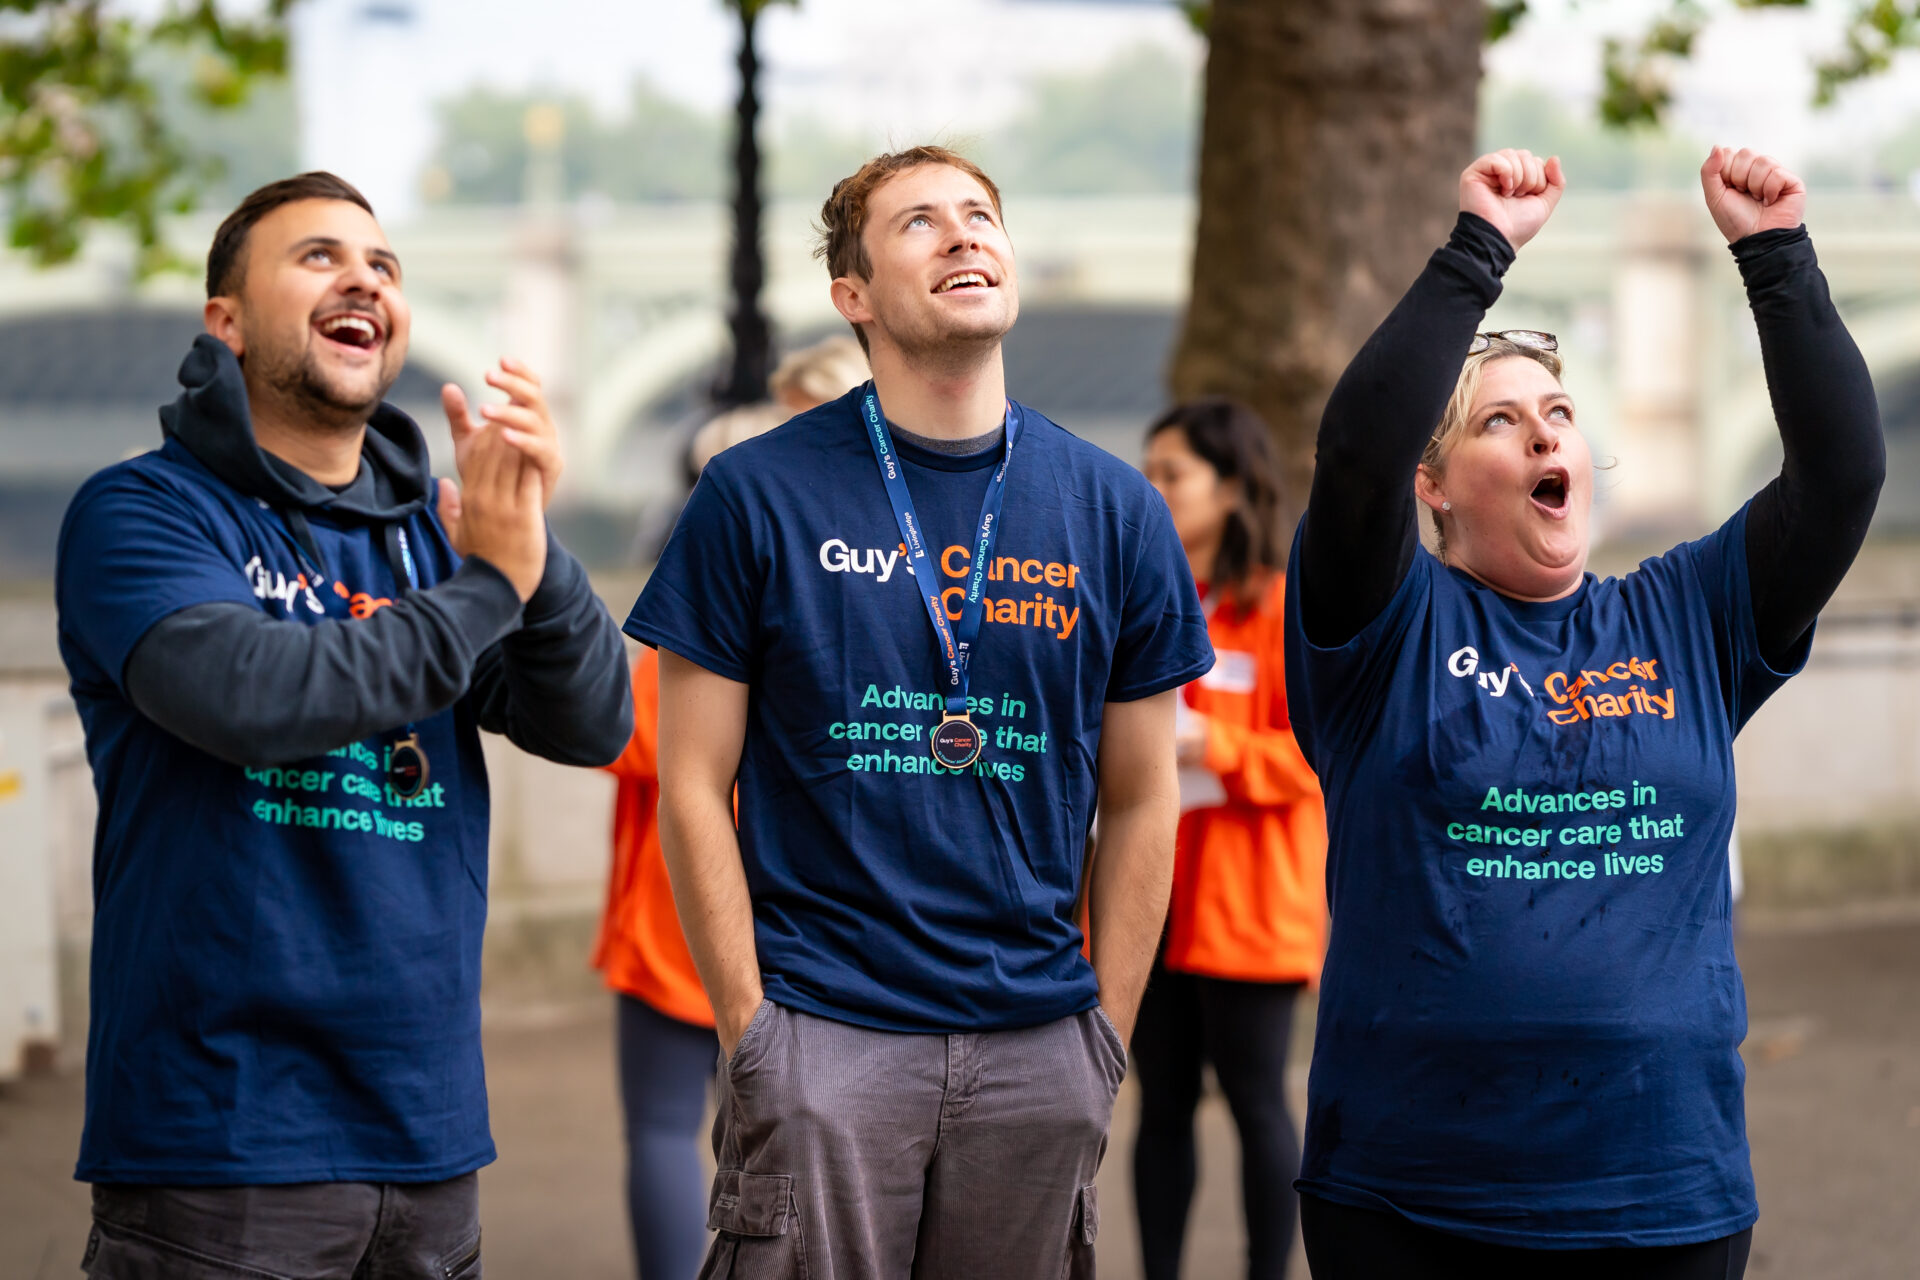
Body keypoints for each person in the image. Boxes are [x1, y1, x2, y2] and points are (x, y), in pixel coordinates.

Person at [1283, 146, 1881, 1278]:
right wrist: (1477, 252)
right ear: (1438, 483)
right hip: (1413, 1198)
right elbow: (1356, 454)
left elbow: (1843, 475)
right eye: (1501, 423)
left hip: (1662, 1193)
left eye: (1558, 411)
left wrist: (1776, 257)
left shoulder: (1690, 614)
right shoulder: (1383, 628)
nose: (1548, 433)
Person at [625, 144, 1215, 1279]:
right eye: (919, 223)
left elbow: (1145, 798)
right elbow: (691, 781)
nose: (964, 235)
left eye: (982, 214)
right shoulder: (756, 493)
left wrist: (1104, 1035)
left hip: (1040, 1040)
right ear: (853, 296)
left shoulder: (1115, 508)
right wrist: (756, 1034)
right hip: (826, 1031)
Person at [55, 172, 632, 1279]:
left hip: (428, 1139)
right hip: (218, 1143)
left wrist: (536, 556)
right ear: (225, 320)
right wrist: (487, 585)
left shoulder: (439, 533)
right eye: (316, 256)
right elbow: (254, 697)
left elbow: (594, 720)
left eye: (383, 266)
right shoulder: (143, 512)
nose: (362, 276)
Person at [594, 335, 868, 1280]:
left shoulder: (741, 524)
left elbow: (634, 735)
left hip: (694, 904)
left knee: (671, 1128)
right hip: (832, 917)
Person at [1132, 398, 1325, 1280]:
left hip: (1249, 901)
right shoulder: (1139, 599)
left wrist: (1215, 743)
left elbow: (1319, 759)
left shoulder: (1288, 609)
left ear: (1236, 487)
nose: (1154, 489)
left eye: (1172, 474)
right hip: (1149, 897)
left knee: (1257, 1102)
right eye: (1150, 472)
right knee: (1158, 1105)